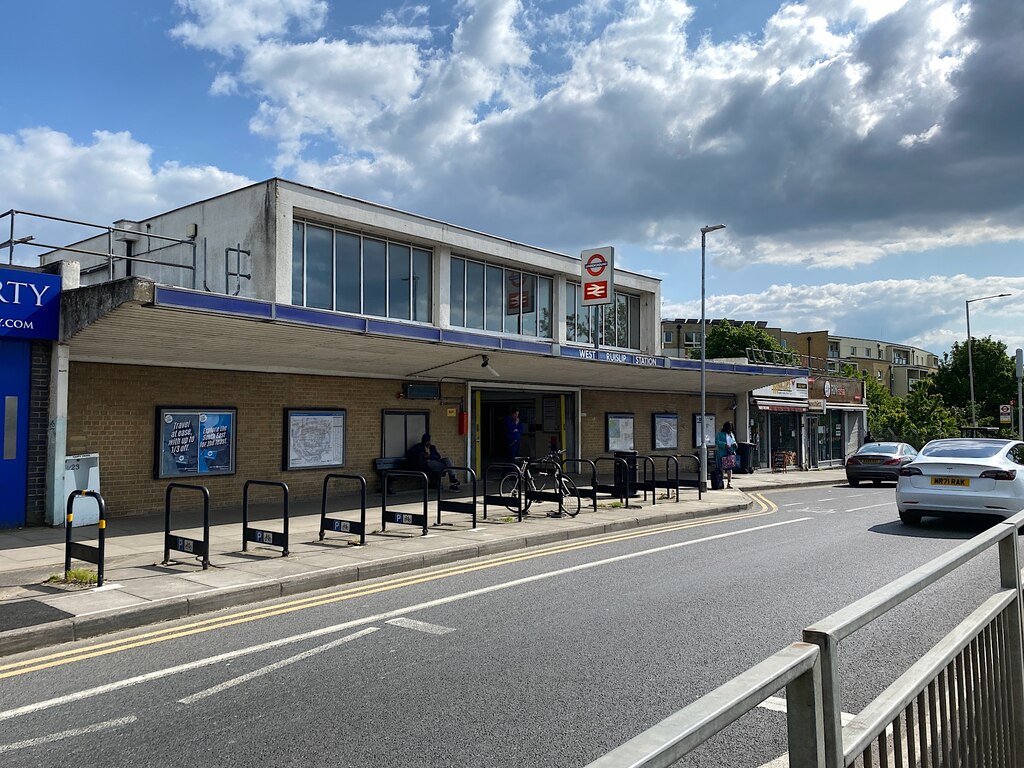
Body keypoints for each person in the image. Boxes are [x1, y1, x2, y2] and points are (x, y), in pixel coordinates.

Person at [716, 421, 738, 489]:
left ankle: (729, 482)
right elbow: (717, 441)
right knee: (722, 468)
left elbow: (733, 441)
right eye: (729, 427)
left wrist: (735, 444)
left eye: (731, 427)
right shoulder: (720, 434)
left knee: (730, 468)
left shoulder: (731, 434)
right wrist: (724, 445)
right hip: (722, 453)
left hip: (730, 452)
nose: (730, 429)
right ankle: (721, 482)